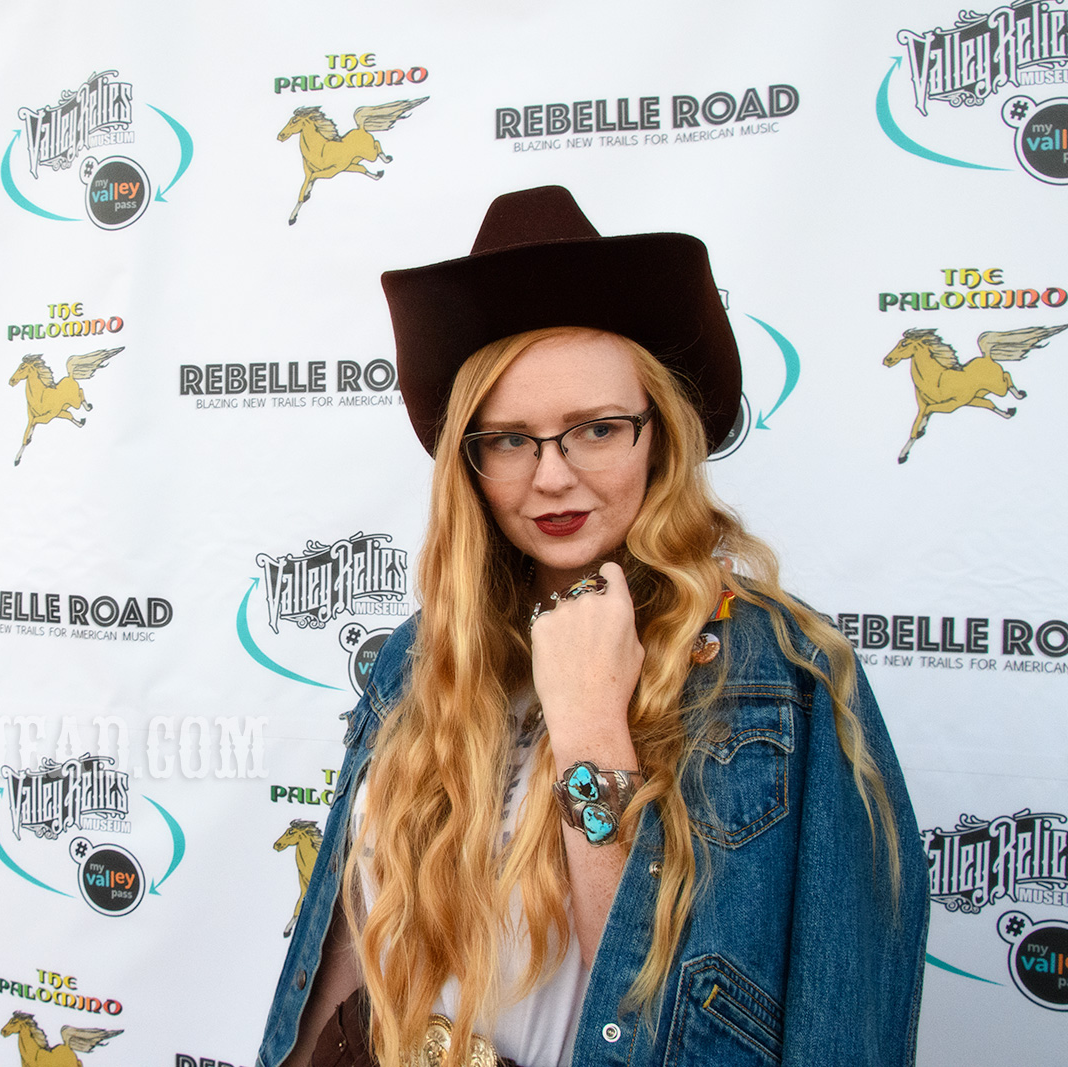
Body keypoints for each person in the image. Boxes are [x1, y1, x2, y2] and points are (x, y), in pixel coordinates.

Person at [255, 187, 928, 1067]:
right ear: (470, 461)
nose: (552, 478)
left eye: (597, 429)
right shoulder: (423, 651)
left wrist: (587, 730)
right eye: (510, 439)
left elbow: (738, 1008)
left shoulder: (778, 676)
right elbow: (351, 938)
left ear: (660, 436)